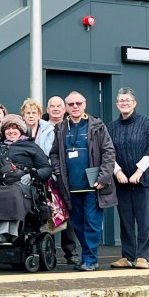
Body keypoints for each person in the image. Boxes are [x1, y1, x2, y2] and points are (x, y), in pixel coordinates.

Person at [50, 91, 117, 271]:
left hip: (93, 186)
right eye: (71, 104)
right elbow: (54, 153)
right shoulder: (61, 128)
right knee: (78, 224)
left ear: (84, 104)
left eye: (78, 103)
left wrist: (103, 177)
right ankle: (87, 257)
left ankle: (90, 259)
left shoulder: (96, 126)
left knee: (92, 223)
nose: (75, 107)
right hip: (70, 187)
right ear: (66, 107)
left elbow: (109, 152)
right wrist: (58, 171)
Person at [106, 87, 149, 270]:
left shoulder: (147, 123)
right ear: (117, 105)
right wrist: (118, 172)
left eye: (127, 100)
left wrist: (139, 172)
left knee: (145, 219)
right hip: (122, 181)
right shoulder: (112, 126)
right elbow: (108, 152)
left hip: (145, 180)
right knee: (126, 220)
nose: (124, 103)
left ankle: (143, 257)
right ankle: (127, 256)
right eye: (121, 101)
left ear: (134, 103)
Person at [0, 114, 51, 243]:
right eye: (7, 128)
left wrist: (31, 175)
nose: (11, 131)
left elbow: (46, 168)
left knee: (12, 192)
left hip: (19, 183)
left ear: (21, 130)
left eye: (14, 128)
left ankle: (6, 232)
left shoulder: (30, 146)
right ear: (3, 132)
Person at [45, 94, 79, 265]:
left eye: (59, 106)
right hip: (45, 177)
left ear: (64, 109)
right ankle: (45, 251)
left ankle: (71, 252)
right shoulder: (40, 127)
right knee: (45, 214)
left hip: (66, 176)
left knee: (69, 214)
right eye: (52, 106)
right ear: (47, 109)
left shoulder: (71, 127)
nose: (56, 109)